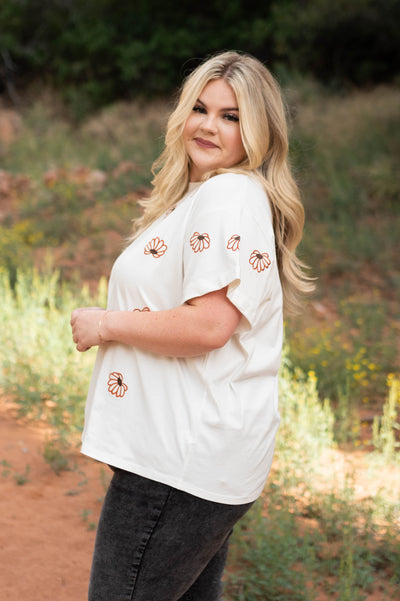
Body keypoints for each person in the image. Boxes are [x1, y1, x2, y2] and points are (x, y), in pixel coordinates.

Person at [70, 50, 313, 601]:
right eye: (200, 108)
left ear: (259, 132)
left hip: (176, 465)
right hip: (196, 458)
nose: (208, 125)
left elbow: (208, 326)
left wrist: (105, 323)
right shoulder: (217, 195)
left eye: (231, 116)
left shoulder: (228, 196)